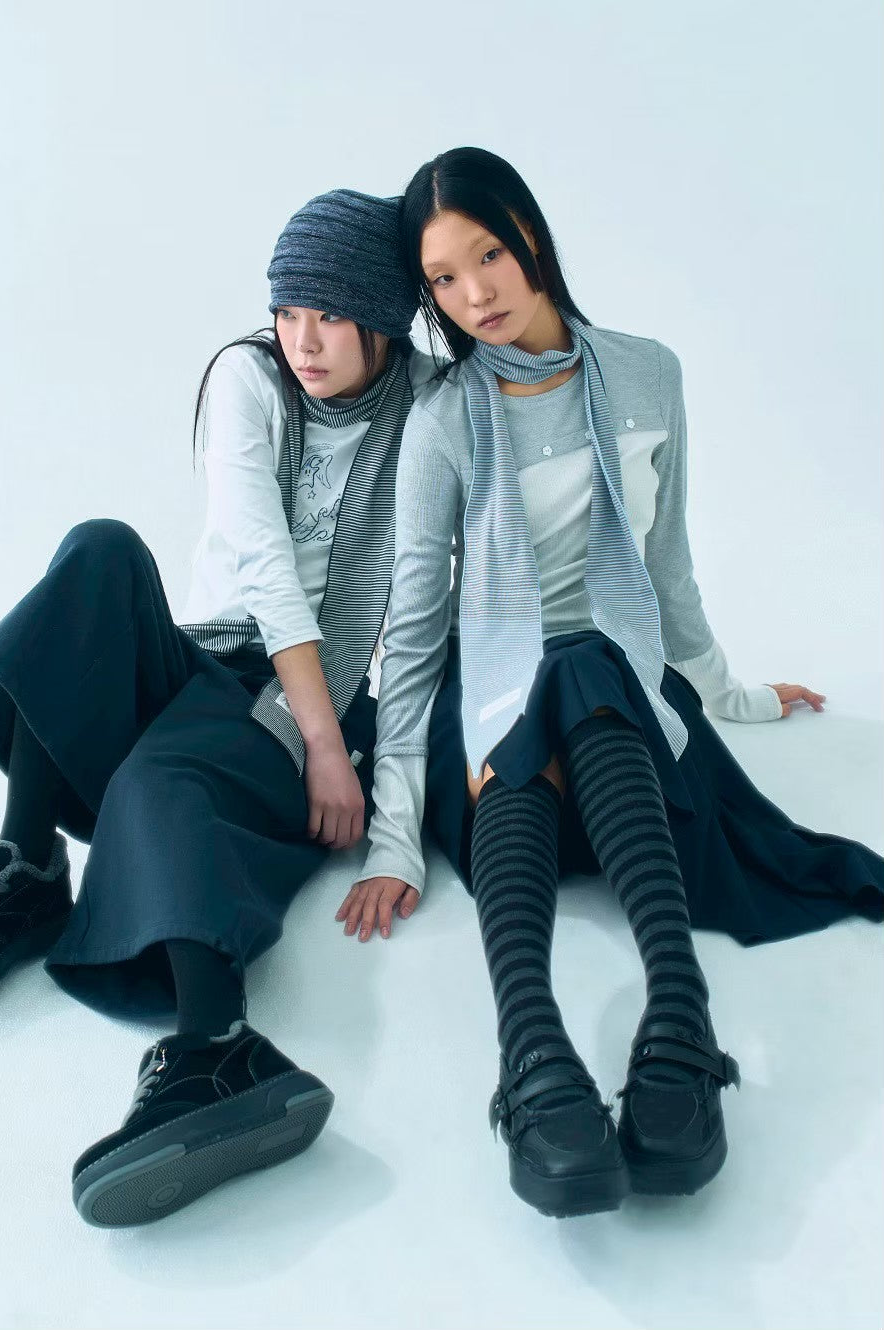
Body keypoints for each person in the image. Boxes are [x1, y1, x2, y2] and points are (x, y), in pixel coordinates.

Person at [336, 147, 884, 1219]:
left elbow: (665, 566)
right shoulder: (443, 420)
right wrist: (396, 831)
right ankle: (530, 1045)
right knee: (564, 667)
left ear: (531, 237)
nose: (473, 294)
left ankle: (677, 1011)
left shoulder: (646, 374)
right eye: (442, 278)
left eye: (487, 255)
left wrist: (729, 693)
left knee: (588, 658)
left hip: (619, 717)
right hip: (492, 719)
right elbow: (415, 630)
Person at [0, 188, 440, 1228]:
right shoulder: (246, 376)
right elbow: (259, 562)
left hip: (300, 697)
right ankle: (28, 866)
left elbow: (421, 613)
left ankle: (218, 1047)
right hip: (209, 653)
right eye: (287, 312)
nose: (303, 341)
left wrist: (332, 745)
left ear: (381, 315)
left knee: (163, 775)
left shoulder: (430, 408)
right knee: (100, 551)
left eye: (330, 316)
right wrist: (324, 743)